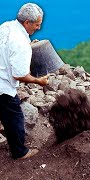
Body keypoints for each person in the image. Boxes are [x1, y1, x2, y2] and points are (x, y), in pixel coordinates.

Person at [0, 3, 49, 159]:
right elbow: (19, 75)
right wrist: (39, 81)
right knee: (15, 118)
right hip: (3, 87)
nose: (38, 28)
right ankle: (20, 152)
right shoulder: (21, 43)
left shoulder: (6, 26)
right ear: (27, 22)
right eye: (36, 24)